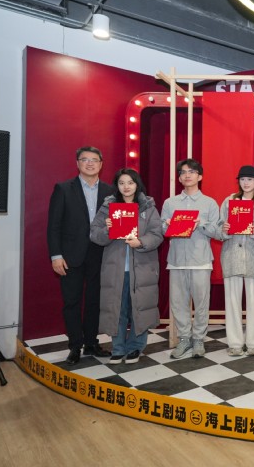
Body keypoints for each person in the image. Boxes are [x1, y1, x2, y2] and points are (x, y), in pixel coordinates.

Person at [89, 168, 164, 364]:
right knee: (117, 309)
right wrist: (107, 229)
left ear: (137, 185)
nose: (126, 187)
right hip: (115, 269)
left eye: (130, 182)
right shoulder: (108, 207)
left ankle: (136, 347)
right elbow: (94, 233)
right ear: (117, 186)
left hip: (142, 269)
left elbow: (157, 234)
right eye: (121, 183)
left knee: (139, 309)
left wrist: (141, 242)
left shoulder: (148, 207)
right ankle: (118, 348)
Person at [47, 146, 113, 365]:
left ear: (101, 164)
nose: (90, 163)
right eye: (85, 159)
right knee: (72, 302)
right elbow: (53, 226)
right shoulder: (63, 189)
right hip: (70, 256)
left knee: (94, 301)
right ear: (77, 163)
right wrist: (55, 256)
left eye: (94, 160)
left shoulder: (111, 191)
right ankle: (75, 346)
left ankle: (91, 343)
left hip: (100, 254)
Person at [160, 159, 220, 359]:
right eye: (183, 172)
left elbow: (217, 231)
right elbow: (161, 229)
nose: (187, 175)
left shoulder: (209, 203)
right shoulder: (170, 203)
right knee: (178, 303)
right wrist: (168, 224)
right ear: (179, 178)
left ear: (199, 176)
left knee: (201, 302)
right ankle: (184, 338)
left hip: (201, 260)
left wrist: (200, 223)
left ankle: (199, 339)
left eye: (192, 172)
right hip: (176, 260)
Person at [219, 165, 254, 356]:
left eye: (250, 179)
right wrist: (225, 230)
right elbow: (219, 228)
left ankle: (253, 343)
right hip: (232, 256)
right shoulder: (229, 201)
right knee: (232, 301)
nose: (246, 183)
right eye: (242, 179)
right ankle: (235, 343)